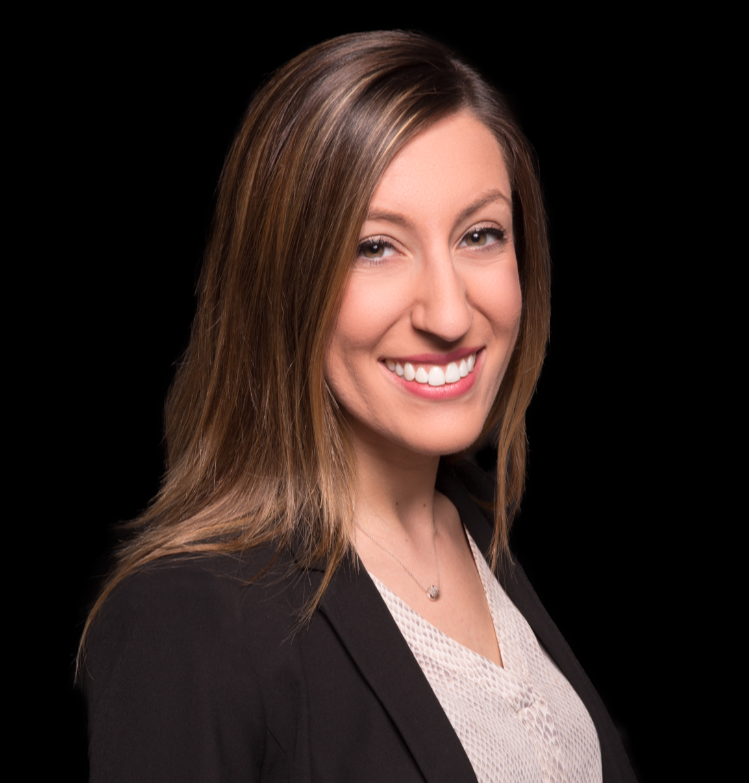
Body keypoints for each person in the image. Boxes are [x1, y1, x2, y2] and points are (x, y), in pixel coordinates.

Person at [79, 31, 638, 782]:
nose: (449, 313)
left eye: (479, 235)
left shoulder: (483, 526)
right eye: (375, 246)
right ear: (282, 281)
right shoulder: (185, 618)